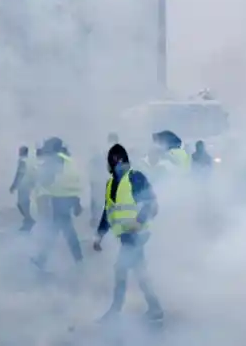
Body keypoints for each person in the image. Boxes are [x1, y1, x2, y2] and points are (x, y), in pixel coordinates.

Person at [93, 143, 164, 322]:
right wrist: (99, 235)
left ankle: (115, 311)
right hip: (125, 235)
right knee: (139, 272)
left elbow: (151, 203)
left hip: (137, 235)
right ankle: (155, 308)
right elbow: (107, 211)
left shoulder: (135, 178)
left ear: (116, 159)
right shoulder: (111, 184)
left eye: (110, 160)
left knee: (121, 270)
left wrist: (138, 222)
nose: (108, 165)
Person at [31, 137, 84, 271]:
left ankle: (43, 259)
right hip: (71, 197)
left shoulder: (55, 159)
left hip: (59, 198)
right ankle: (43, 259)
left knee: (60, 229)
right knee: (62, 229)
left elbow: (48, 179)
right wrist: (77, 201)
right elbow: (76, 179)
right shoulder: (69, 160)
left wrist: (42, 189)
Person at [89, 133, 117, 228]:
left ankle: (97, 218)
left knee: (101, 200)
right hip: (108, 179)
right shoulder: (116, 150)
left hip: (104, 179)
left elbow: (94, 162)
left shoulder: (103, 151)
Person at [9, 146, 36, 231]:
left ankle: (29, 220)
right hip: (28, 185)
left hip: (23, 185)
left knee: (21, 203)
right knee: (25, 203)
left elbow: (19, 174)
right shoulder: (30, 161)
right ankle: (28, 220)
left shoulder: (22, 161)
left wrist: (14, 185)